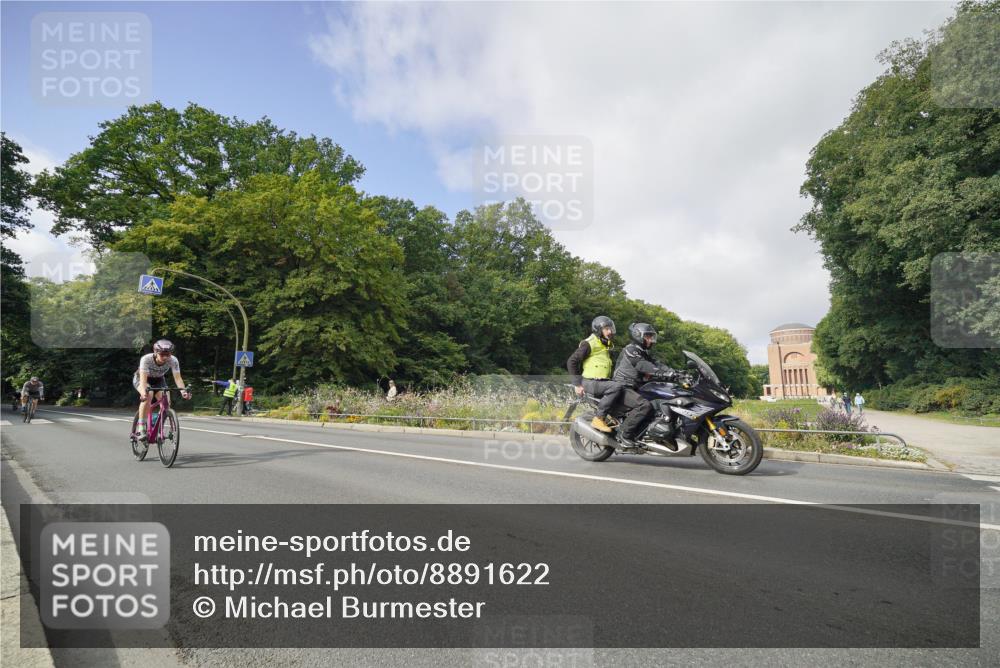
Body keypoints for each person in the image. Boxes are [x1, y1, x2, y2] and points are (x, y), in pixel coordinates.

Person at [612, 323, 682, 446]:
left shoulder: (643, 352)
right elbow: (642, 365)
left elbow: (657, 364)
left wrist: (674, 372)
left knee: (658, 403)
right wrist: (660, 373)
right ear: (638, 335)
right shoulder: (631, 350)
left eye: (651, 337)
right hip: (623, 386)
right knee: (644, 405)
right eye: (648, 337)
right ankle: (623, 434)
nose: (650, 340)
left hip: (636, 387)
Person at [566, 316, 623, 433]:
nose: (610, 332)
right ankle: (598, 418)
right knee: (616, 387)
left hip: (601, 382)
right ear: (598, 330)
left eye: (610, 329)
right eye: (606, 329)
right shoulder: (589, 343)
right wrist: (577, 385)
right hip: (590, 382)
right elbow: (572, 362)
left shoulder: (604, 345)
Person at [134, 340, 191, 440]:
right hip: (142, 379)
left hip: (159, 380)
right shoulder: (146, 359)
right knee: (149, 394)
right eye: (162, 354)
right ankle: (141, 428)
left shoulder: (173, 360)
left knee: (166, 403)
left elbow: (178, 378)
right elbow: (143, 381)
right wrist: (143, 393)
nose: (165, 357)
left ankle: (158, 426)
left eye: (168, 354)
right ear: (156, 352)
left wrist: (183, 392)